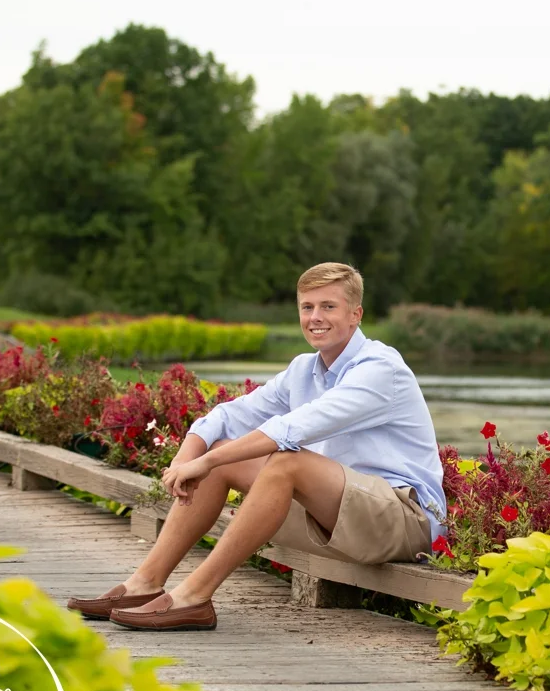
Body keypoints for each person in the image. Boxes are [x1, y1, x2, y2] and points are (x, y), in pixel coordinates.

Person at [66, 262, 446, 630]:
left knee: (285, 462)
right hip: (340, 513)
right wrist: (188, 455)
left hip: (405, 519)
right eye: (307, 307)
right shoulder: (304, 369)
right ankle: (143, 585)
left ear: (355, 314)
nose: (316, 317)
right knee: (222, 458)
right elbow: (232, 414)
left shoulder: (380, 369)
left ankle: (194, 597)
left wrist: (206, 459)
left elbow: (293, 429)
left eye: (329, 306)